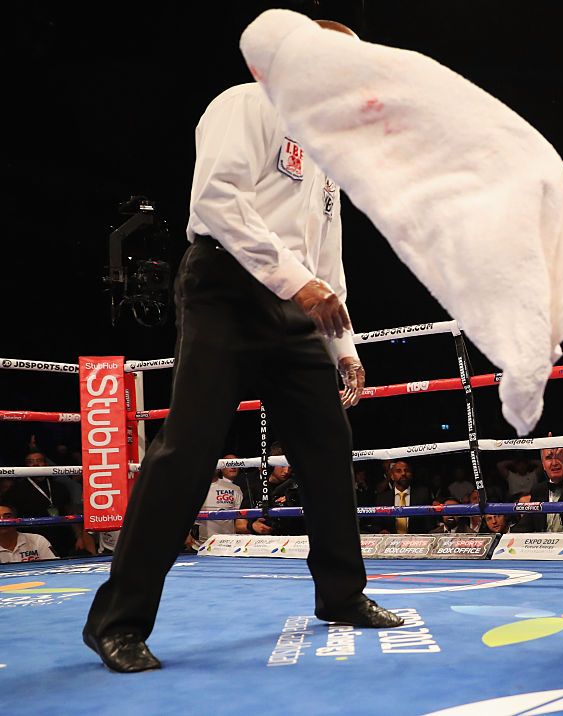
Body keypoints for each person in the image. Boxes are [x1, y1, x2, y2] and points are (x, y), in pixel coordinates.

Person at [82, 20, 403, 674]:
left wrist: (343, 345)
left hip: (298, 305)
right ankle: (117, 622)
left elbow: (328, 258)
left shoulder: (328, 153)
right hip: (225, 290)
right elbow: (217, 199)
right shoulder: (245, 103)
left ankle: (342, 594)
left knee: (327, 445)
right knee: (187, 450)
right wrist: (298, 283)